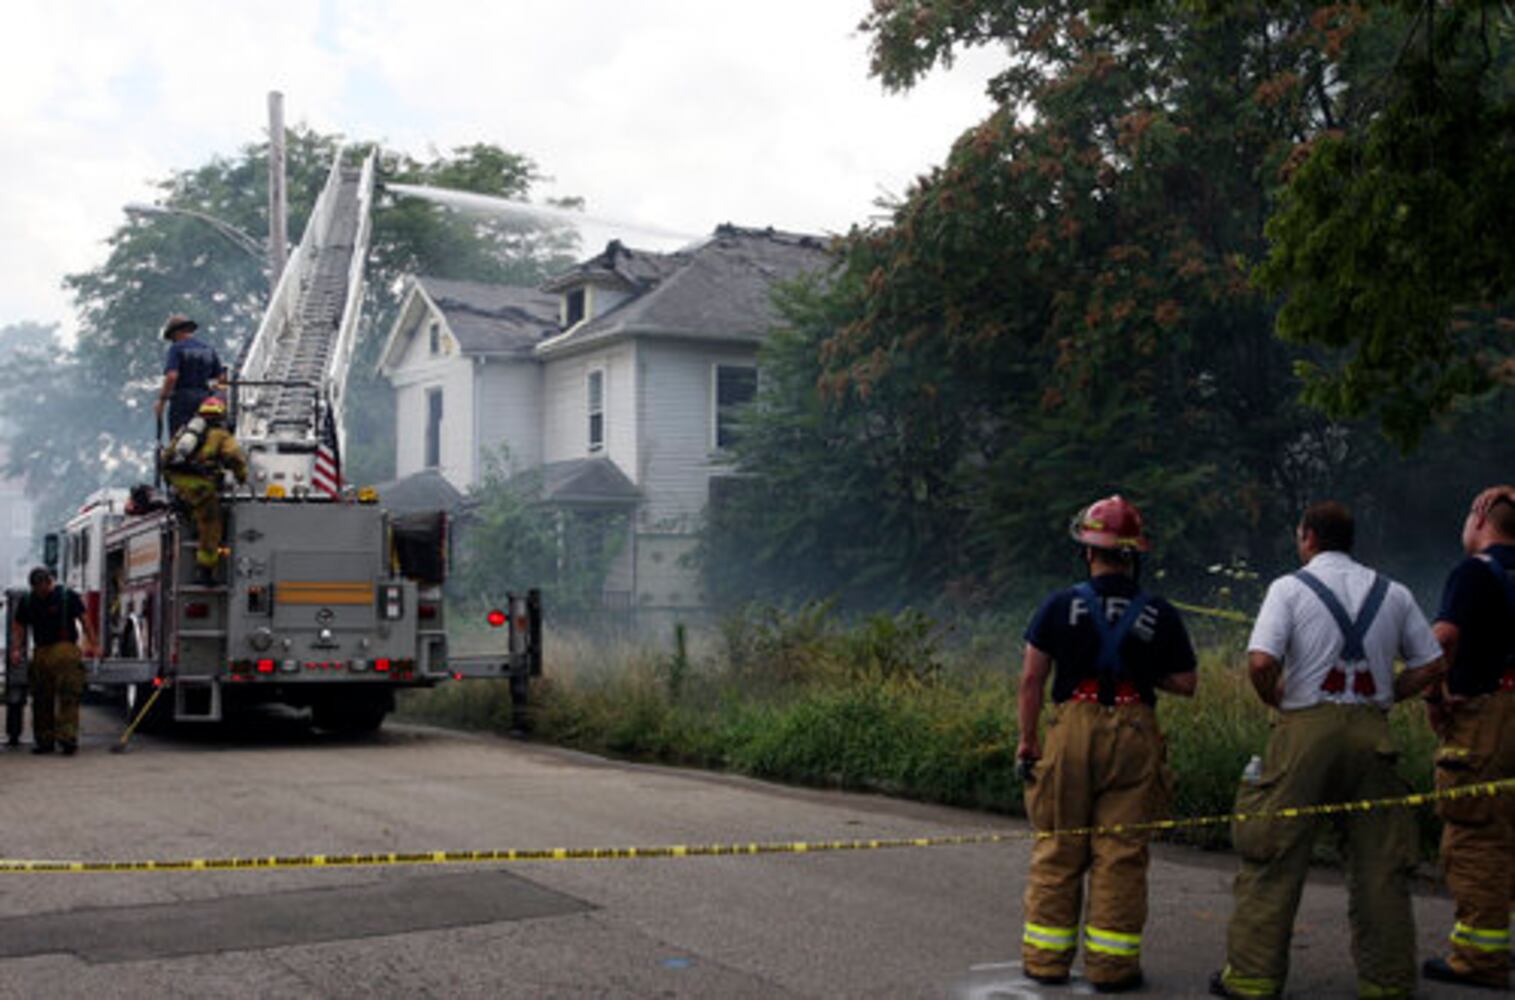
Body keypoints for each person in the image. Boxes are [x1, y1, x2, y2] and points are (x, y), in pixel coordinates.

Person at [1210, 501, 1446, 999]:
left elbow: (1259, 661)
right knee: (1381, 865)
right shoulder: (1395, 593)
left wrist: (1275, 696)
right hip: (1373, 735)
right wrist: (1390, 697)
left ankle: (1252, 978)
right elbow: (1431, 664)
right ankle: (1387, 983)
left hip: (1304, 731)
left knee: (1273, 852)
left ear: (1307, 538)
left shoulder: (1289, 588)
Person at [1017, 494, 1198, 993]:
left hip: (1071, 727)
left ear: (1087, 551)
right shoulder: (1158, 612)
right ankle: (1112, 969)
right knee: (1120, 853)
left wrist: (1027, 743)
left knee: (1059, 844)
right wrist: (1140, 672)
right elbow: (1186, 683)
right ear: (1133, 554)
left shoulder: (1058, 604)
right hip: (1136, 729)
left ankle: (1046, 962)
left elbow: (1032, 679)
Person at [1420, 485, 1515, 990]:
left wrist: (1432, 695)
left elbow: (1442, 641)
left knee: (1477, 835)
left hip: (1489, 717)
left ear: (1480, 519)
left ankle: (1480, 959)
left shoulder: (1474, 572)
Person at [8, 567, 98, 755]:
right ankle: (51, 740)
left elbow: (84, 620)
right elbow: (19, 625)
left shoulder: (65, 596)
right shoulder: (31, 600)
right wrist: (17, 649)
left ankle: (61, 739)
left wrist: (93, 644)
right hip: (45, 651)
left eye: (42, 586)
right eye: (37, 587)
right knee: (45, 698)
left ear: (49, 582)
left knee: (63, 696)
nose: (40, 591)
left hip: (62, 650)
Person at [161, 396, 248, 585]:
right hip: (201, 487)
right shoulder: (220, 435)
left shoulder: (184, 432)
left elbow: (166, 458)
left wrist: (174, 487)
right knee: (211, 526)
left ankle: (187, 513)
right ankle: (205, 570)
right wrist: (242, 477)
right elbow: (234, 457)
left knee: (194, 514)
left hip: (180, 487)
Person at [153, 314, 226, 436]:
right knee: (203, 436)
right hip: (204, 399)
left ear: (176, 333)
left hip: (182, 401)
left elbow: (172, 376)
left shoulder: (176, 348)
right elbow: (221, 378)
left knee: (179, 439)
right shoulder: (208, 348)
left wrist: (161, 401)